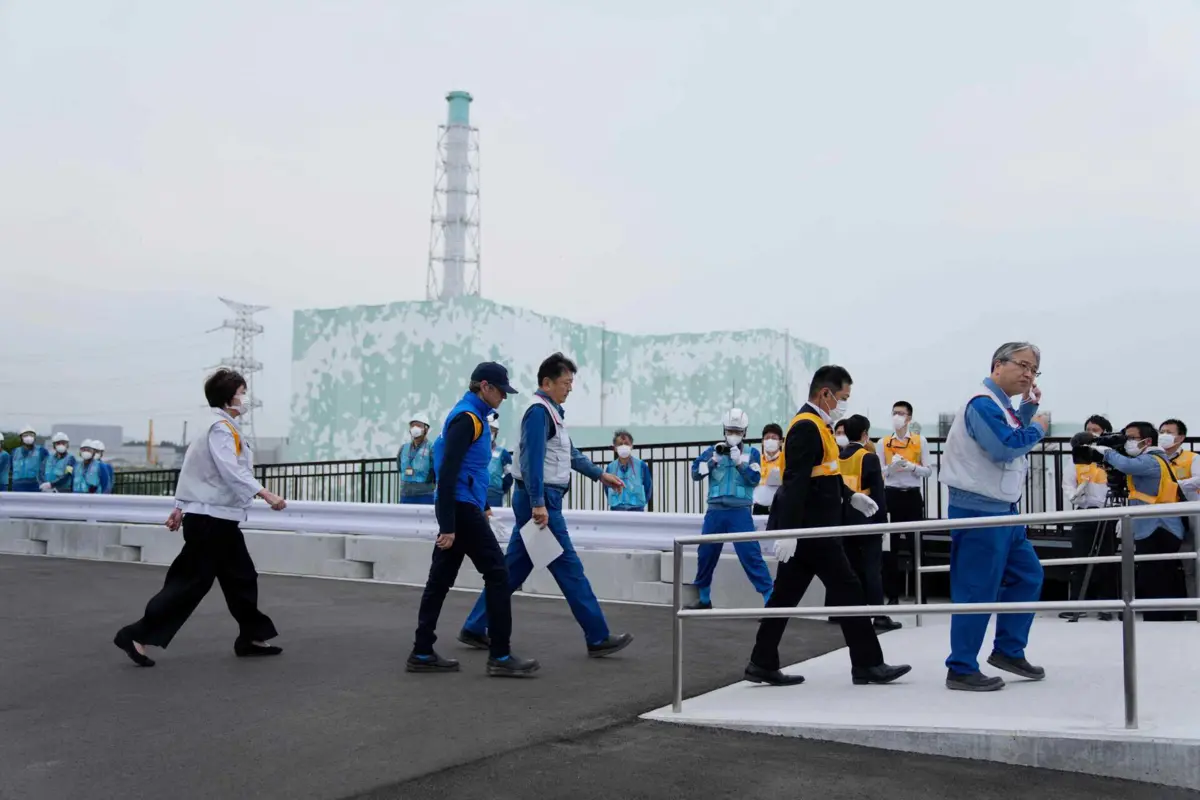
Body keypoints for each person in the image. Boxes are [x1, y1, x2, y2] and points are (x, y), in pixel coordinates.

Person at [745, 365, 911, 687]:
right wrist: (791, 532)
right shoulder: (806, 427)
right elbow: (794, 482)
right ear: (825, 394)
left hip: (813, 530)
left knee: (784, 597)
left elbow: (825, 474)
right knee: (849, 589)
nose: (844, 404)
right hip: (813, 531)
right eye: (843, 397)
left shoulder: (820, 426)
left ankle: (761, 661)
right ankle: (868, 664)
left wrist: (850, 497)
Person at [460, 353, 633, 658]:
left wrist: (600, 475)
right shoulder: (539, 413)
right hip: (540, 503)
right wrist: (539, 503)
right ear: (547, 382)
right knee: (569, 568)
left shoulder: (552, 412)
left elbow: (570, 455)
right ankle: (597, 635)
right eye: (566, 382)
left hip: (537, 500)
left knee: (511, 570)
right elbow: (531, 460)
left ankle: (474, 626)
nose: (570, 388)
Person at [113, 369, 288, 668]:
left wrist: (180, 505)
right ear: (227, 396)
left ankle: (251, 636)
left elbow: (193, 468)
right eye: (242, 391)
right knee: (190, 583)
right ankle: (136, 634)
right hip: (210, 521)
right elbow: (230, 470)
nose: (245, 397)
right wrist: (265, 494)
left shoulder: (220, 426)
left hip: (217, 519)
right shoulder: (220, 428)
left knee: (241, 578)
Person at [410, 362, 539, 676]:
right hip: (460, 509)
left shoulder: (473, 417)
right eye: (501, 392)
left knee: (439, 581)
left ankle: (422, 651)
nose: (504, 399)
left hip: (465, 507)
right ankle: (501, 655)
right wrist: (448, 525)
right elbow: (449, 471)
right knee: (498, 574)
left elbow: (468, 471)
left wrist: (479, 507)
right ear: (485, 387)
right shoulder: (468, 419)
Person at [939, 342, 1050, 691]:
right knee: (977, 589)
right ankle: (961, 667)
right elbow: (1005, 447)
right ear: (997, 365)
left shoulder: (1002, 406)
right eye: (1023, 365)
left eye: (1034, 369)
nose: (1028, 374)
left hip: (1005, 511)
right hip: (979, 510)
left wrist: (1028, 411)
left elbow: (1010, 435)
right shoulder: (982, 403)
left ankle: (1008, 650)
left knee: (1028, 575)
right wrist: (1039, 429)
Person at [1091, 422, 1188, 621]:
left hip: (1159, 527)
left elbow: (1127, 466)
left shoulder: (1152, 460)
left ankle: (1164, 619)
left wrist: (1107, 452)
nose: (1128, 442)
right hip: (1152, 526)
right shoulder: (1150, 459)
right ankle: (1162, 617)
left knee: (1158, 576)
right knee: (1154, 575)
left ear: (1147, 441)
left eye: (1132, 438)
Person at [687, 408, 774, 610]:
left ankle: (770, 598)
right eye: (730, 430)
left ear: (744, 432)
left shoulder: (751, 453)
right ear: (724, 430)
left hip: (740, 511)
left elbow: (754, 479)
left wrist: (738, 464)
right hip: (715, 510)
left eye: (738, 430)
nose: (733, 434)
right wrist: (712, 461)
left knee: (750, 554)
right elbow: (695, 474)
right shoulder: (713, 450)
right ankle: (704, 598)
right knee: (706, 553)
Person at [838, 414, 900, 632]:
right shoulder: (869, 457)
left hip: (844, 520)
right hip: (868, 519)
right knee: (873, 568)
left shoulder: (839, 457)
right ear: (865, 434)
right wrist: (882, 521)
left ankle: (852, 612)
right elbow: (878, 494)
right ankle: (879, 615)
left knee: (851, 568)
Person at [1059, 415, 1116, 620]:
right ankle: (1077, 604)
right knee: (1080, 558)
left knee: (1107, 559)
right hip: (1084, 511)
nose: (1091, 433)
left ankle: (1106, 605)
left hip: (1108, 512)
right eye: (1088, 429)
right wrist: (1074, 496)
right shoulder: (1075, 459)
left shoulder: (1110, 456)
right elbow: (1068, 483)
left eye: (1096, 429)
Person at [878, 401, 932, 606]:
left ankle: (922, 595)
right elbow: (880, 472)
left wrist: (911, 467)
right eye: (894, 413)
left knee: (916, 545)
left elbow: (928, 471)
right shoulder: (883, 443)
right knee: (890, 549)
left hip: (911, 495)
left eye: (901, 413)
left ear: (909, 418)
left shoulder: (920, 441)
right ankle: (892, 596)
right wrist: (890, 469)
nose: (897, 417)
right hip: (891, 496)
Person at [1159, 418, 1199, 606]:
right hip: (1165, 514)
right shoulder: (1156, 459)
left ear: (1181, 437)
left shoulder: (1193, 458)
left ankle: (1195, 606)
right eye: (1161, 432)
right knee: (1177, 563)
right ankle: (1186, 606)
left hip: (1191, 514)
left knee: (1194, 563)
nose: (1164, 436)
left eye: (1169, 432)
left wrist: (1174, 486)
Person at [605, 429, 653, 512]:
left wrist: (641, 503)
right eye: (620, 444)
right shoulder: (610, 467)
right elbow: (606, 488)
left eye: (626, 444)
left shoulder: (641, 465)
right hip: (616, 510)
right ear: (615, 448)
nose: (623, 446)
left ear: (631, 446)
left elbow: (648, 488)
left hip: (636, 510)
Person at [398, 415, 436, 505]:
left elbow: (436, 469)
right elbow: (399, 466)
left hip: (425, 495)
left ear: (426, 429)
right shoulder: (404, 448)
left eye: (418, 425)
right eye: (412, 425)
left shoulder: (432, 448)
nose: (415, 428)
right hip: (406, 494)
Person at [753, 423, 784, 515]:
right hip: (758, 508)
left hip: (780, 507)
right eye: (767, 438)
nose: (770, 440)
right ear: (762, 441)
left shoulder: (786, 459)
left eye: (774, 438)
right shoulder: (756, 459)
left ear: (781, 442)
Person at [485, 414, 514, 509]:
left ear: (496, 433)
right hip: (474, 493)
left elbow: (509, 476)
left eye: (492, 430)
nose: (490, 433)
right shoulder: (473, 452)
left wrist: (499, 490)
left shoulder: (503, 453)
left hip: (494, 495)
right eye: (488, 429)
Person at [10, 426, 49, 493]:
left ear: (34, 437)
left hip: (35, 486)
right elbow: (11, 468)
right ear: (21, 438)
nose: (28, 437)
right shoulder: (14, 452)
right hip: (17, 487)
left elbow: (48, 468)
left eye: (31, 435)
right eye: (25, 435)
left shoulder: (42, 451)